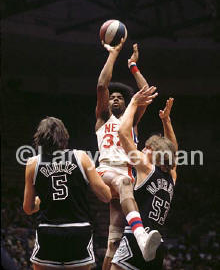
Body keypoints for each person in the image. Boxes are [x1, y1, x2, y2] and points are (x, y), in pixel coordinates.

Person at [96, 40, 161, 269]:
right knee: (123, 181)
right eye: (112, 97)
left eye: (119, 97)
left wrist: (133, 66)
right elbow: (102, 85)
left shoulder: (131, 122)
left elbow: (147, 93)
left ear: (127, 102)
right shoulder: (103, 118)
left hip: (128, 178)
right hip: (106, 172)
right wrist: (113, 54)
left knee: (113, 244)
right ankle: (141, 236)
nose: (114, 98)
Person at [23, 116, 112, 270]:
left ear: (40, 138)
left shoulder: (32, 163)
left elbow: (28, 208)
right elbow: (106, 196)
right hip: (78, 229)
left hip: (48, 231)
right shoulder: (82, 157)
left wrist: (38, 201)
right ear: (64, 136)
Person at [111, 86, 178, 270]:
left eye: (147, 147)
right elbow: (174, 151)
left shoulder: (147, 167)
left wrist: (133, 103)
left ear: (154, 153)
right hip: (157, 246)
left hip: (136, 238)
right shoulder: (172, 176)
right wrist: (167, 121)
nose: (142, 150)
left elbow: (123, 133)